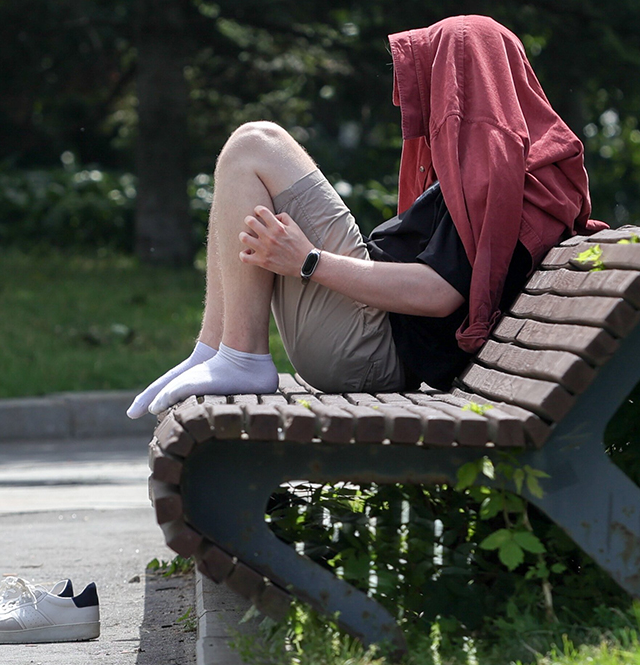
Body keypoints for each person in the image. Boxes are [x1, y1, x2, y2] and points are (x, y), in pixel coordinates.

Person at [126, 14, 606, 420]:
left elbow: (440, 294)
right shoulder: (511, 170)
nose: (433, 100)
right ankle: (216, 350)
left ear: (469, 82)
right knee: (247, 158)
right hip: (368, 338)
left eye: (440, 80)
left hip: (371, 348)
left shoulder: (500, 181)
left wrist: (309, 261)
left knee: (256, 144)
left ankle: (239, 356)